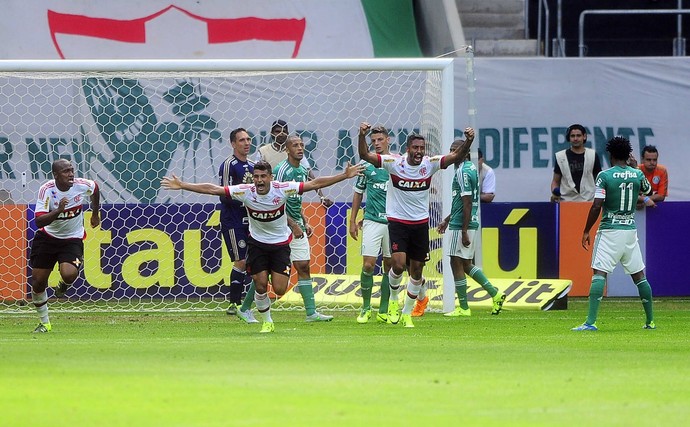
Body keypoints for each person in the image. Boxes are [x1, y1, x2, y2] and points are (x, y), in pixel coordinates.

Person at [161, 160, 363, 333]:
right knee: (259, 283)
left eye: (262, 176)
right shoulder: (246, 192)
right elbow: (213, 189)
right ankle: (267, 322)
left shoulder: (282, 189)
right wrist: (183, 185)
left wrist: (344, 176)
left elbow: (314, 183)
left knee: (280, 289)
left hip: (280, 245)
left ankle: (260, 309)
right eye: (256, 176)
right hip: (257, 244)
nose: (258, 180)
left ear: (270, 177)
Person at [358, 122, 474, 328]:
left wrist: (469, 141)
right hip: (397, 222)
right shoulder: (394, 163)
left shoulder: (430, 164)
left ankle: (406, 312)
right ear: (408, 149)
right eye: (415, 148)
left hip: (420, 224)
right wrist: (361, 135)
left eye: (422, 148)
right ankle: (393, 301)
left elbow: (456, 157)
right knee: (398, 264)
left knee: (417, 271)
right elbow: (366, 156)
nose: (419, 152)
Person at [572, 136, 655, 331]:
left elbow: (596, 206)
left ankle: (590, 322)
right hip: (629, 230)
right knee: (639, 276)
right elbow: (648, 191)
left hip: (610, 229)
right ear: (628, 155)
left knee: (599, 273)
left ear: (610, 154)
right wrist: (636, 167)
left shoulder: (605, 176)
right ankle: (650, 321)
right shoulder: (637, 174)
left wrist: (586, 230)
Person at [28, 158, 100, 332]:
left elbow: (95, 189)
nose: (71, 174)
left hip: (72, 239)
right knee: (38, 282)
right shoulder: (47, 190)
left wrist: (95, 213)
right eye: (66, 171)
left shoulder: (81, 185)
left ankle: (63, 286)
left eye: (71, 170)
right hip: (48, 238)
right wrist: (58, 210)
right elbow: (38, 221)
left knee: (68, 274)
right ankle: (44, 322)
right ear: (55, 175)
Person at [437, 141, 506, 317]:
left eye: (456, 150)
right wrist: (446, 219)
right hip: (469, 220)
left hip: (462, 224)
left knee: (455, 261)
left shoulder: (462, 172)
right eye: (450, 150)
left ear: (465, 152)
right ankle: (495, 294)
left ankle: (464, 307)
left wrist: (463, 230)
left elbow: (467, 203)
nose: (452, 153)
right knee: (466, 264)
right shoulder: (472, 169)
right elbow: (463, 202)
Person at [349, 125, 392, 324]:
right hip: (372, 221)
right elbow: (358, 193)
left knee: (390, 266)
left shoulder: (396, 163)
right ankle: (366, 308)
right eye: (373, 141)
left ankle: (383, 308)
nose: (376, 144)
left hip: (393, 222)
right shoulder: (365, 165)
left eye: (380, 140)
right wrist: (352, 220)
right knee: (368, 265)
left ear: (388, 140)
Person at [217, 128, 256, 321]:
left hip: (253, 221)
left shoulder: (254, 165)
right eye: (242, 140)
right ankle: (234, 302)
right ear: (233, 144)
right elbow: (224, 194)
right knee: (240, 260)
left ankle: (248, 302)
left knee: (252, 260)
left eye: (248, 139)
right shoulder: (229, 165)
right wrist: (246, 200)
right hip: (233, 220)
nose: (246, 143)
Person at [256, 119, 333, 207]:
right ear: (272, 133)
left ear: (287, 133)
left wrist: (321, 197)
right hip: (270, 199)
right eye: (277, 131)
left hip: (291, 199)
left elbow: (309, 174)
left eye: (284, 131)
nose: (281, 134)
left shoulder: (295, 151)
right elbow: (255, 174)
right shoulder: (263, 151)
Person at [550, 124, 602, 202]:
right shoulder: (561, 157)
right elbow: (555, 181)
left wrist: (600, 197)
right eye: (572, 136)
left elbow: (599, 180)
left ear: (584, 136)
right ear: (569, 138)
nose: (575, 138)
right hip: (567, 201)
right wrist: (555, 191)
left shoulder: (592, 155)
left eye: (578, 135)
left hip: (589, 201)